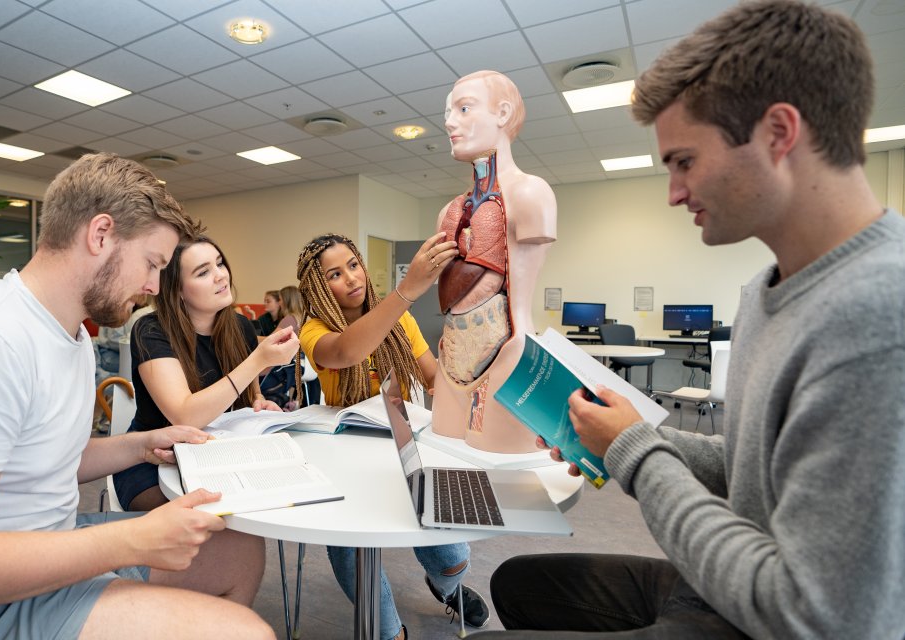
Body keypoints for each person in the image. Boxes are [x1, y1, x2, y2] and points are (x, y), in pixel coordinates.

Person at [483, 2, 905, 638]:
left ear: (778, 134)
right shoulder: (767, 290)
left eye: (684, 161)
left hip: (770, 617)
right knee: (519, 583)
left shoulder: (876, 317)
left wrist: (634, 452)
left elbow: (813, 613)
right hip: (724, 583)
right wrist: (612, 434)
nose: (676, 192)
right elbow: (753, 467)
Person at [0, 153, 275, 639]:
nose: (151, 286)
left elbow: (40, 459)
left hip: (28, 547)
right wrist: (130, 539)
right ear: (100, 235)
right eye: (151, 264)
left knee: (237, 549)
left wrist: (140, 446)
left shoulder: (71, 338)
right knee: (242, 632)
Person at [296, 232, 493, 640]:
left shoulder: (400, 320)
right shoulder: (314, 330)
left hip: (402, 450)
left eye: (353, 265)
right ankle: (391, 632)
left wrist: (465, 380)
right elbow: (348, 352)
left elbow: (432, 374)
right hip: (344, 464)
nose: (351, 277)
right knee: (355, 562)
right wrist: (407, 290)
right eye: (335, 273)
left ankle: (447, 588)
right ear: (317, 287)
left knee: (453, 558)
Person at [114, 236, 299, 511]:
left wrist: (259, 403)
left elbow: (249, 395)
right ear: (177, 290)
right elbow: (184, 415)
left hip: (217, 455)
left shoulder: (240, 327)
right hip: (154, 462)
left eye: (220, 264)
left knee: (260, 502)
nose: (220, 276)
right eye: (203, 272)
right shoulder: (151, 330)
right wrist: (257, 361)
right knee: (216, 519)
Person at [431, 69, 557, 454]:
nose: (450, 122)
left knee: (501, 471)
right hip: (451, 353)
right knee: (447, 459)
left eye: (464, 108)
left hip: (509, 352)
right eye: (448, 112)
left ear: (502, 114)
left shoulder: (531, 194)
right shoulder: (450, 211)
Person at [259, 285, 311, 409]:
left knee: (256, 371)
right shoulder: (303, 318)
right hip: (305, 365)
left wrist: (248, 336)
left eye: (281, 299)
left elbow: (270, 340)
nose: (280, 302)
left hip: (292, 363)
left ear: (287, 300)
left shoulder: (290, 319)